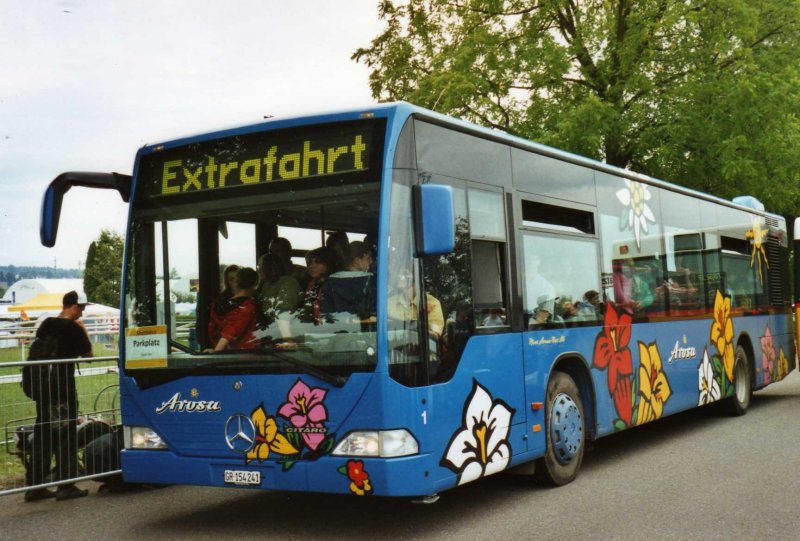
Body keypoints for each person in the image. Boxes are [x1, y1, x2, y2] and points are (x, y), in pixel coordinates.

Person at [25, 291, 92, 502]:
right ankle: (66, 486)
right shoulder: (73, 328)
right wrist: (83, 328)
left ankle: (35, 486)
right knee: (66, 437)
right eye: (82, 308)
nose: (82, 313)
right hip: (62, 391)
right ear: (74, 306)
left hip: (42, 390)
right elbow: (89, 355)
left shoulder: (46, 324)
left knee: (43, 437)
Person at [320, 241, 376, 320]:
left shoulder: (329, 281)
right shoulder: (372, 280)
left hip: (338, 325)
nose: (371, 261)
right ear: (357, 260)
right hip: (363, 325)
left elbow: (326, 311)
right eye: (368, 258)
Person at [207, 267, 259, 351]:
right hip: (243, 353)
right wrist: (216, 352)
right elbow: (230, 332)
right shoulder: (247, 306)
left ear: (236, 282)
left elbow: (213, 330)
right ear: (255, 284)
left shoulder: (219, 305)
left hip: (226, 352)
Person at [388, 271, 445, 339]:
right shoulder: (388, 303)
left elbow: (435, 335)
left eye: (405, 274)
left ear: (417, 279)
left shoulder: (433, 303)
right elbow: (379, 326)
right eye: (400, 273)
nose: (399, 276)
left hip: (419, 344)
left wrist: (415, 330)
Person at [257, 253, 301, 339]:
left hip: (286, 332)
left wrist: (287, 339)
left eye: (260, 266)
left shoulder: (289, 283)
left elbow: (283, 313)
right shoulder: (267, 285)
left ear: (268, 268)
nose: (258, 270)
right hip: (271, 332)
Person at [297, 246, 334, 325]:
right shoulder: (310, 284)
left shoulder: (333, 285)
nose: (312, 266)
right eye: (310, 262)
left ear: (328, 264)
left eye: (317, 262)